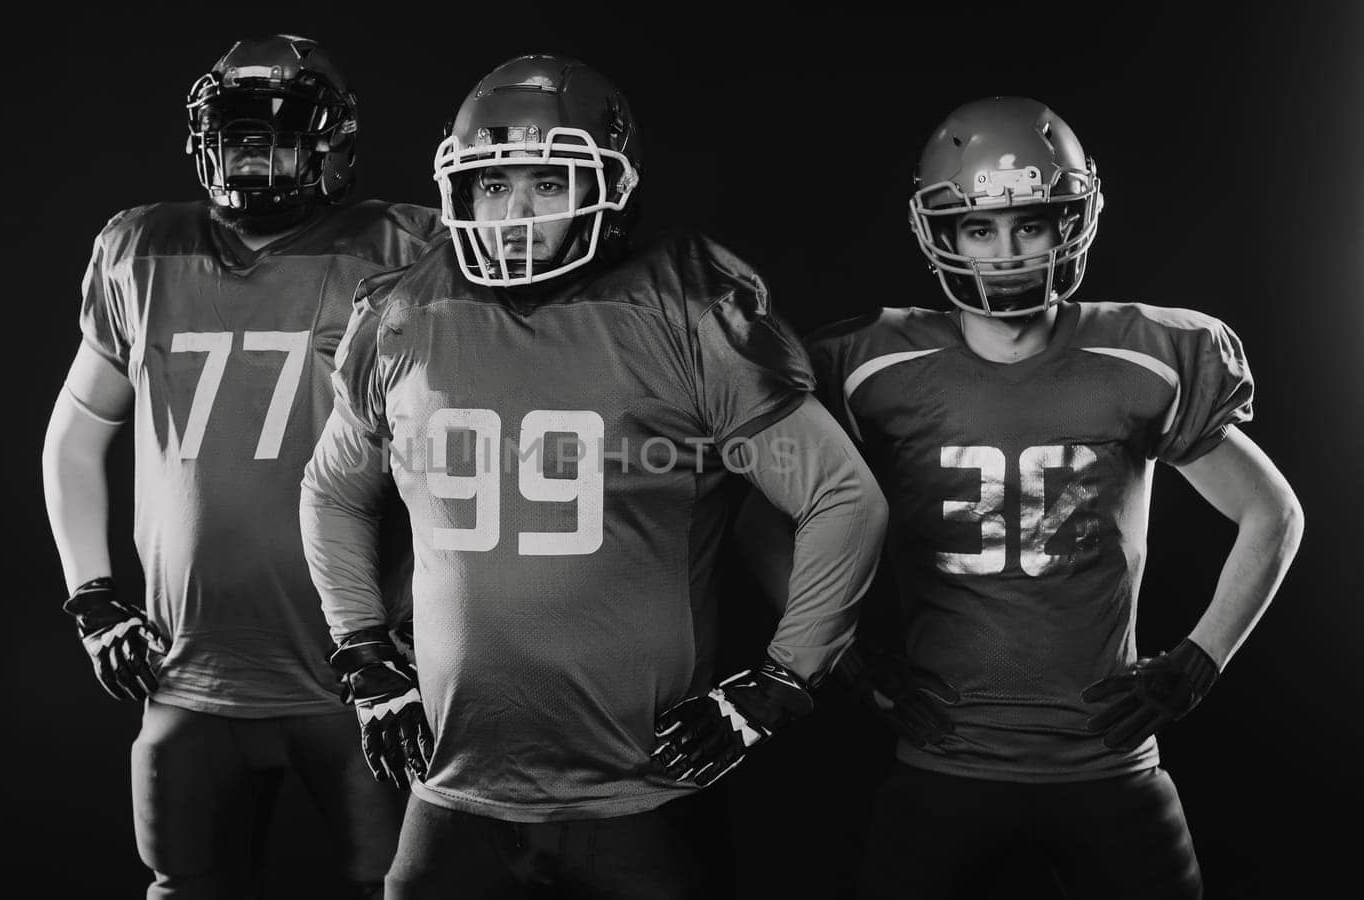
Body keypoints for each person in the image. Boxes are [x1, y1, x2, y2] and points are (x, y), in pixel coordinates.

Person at [298, 54, 888, 899]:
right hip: (454, 791)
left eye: (545, 184)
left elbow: (841, 496)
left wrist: (779, 681)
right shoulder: (401, 315)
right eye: (494, 186)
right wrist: (362, 652)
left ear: (610, 187)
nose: (515, 214)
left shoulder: (686, 312)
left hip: (642, 798)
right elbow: (333, 492)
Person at [740, 96, 1304, 898]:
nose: (1006, 252)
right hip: (940, 764)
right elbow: (763, 523)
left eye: (1030, 224)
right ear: (941, 234)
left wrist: (1196, 661)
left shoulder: (1142, 357)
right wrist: (849, 661)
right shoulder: (870, 364)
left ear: (1071, 223)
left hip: (1110, 765)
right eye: (979, 229)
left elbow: (1272, 513)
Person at [41, 34, 440, 899]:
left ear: (332, 141)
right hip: (190, 671)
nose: (253, 152)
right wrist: (91, 593)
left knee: (397, 890)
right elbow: (77, 426)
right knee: (185, 888)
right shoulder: (142, 249)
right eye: (236, 130)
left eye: (279, 130)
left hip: (364, 674)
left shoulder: (404, 247)